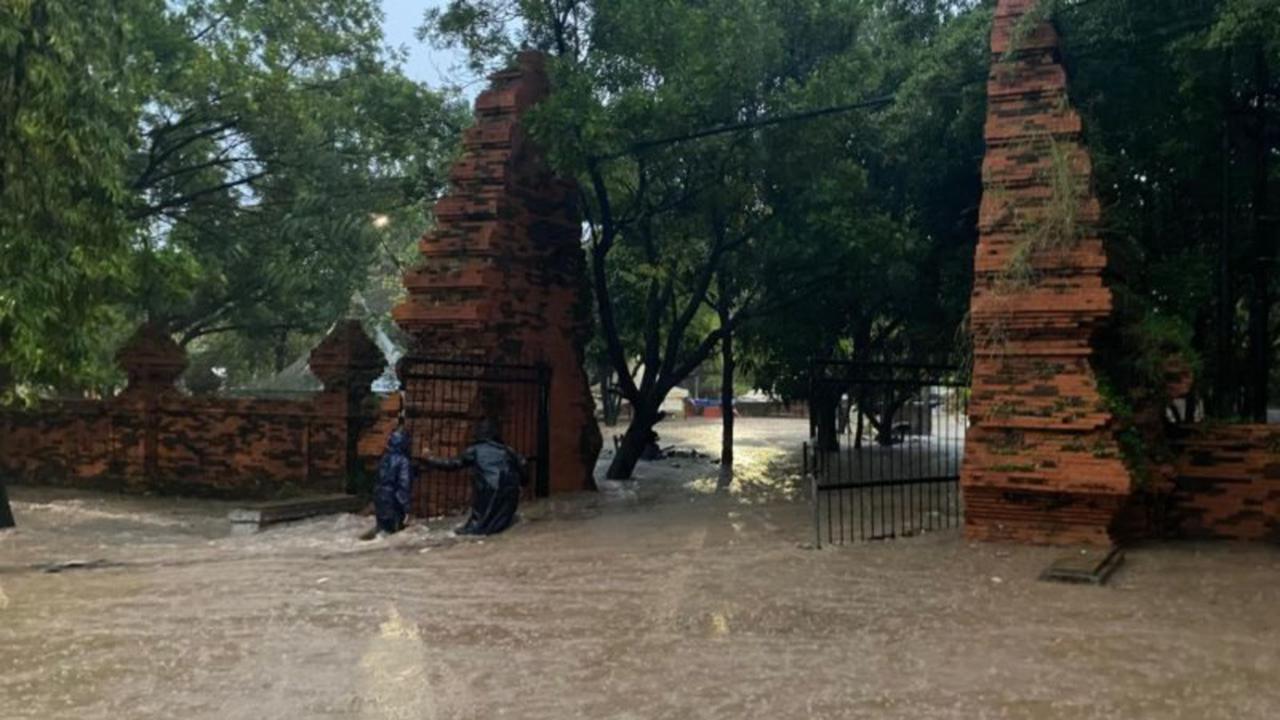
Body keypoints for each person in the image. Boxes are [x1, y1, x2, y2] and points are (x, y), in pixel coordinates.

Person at [423, 418, 526, 536]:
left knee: (476, 526)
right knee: (502, 521)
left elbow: (452, 464)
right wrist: (523, 482)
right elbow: (522, 463)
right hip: (510, 489)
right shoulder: (507, 450)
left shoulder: (475, 450)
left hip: (488, 489)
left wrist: (430, 459)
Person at [362, 426, 415, 540]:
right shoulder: (403, 461)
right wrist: (406, 508)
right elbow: (403, 486)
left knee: (382, 529)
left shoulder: (385, 458)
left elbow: (379, 478)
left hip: (380, 497)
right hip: (393, 501)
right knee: (394, 533)